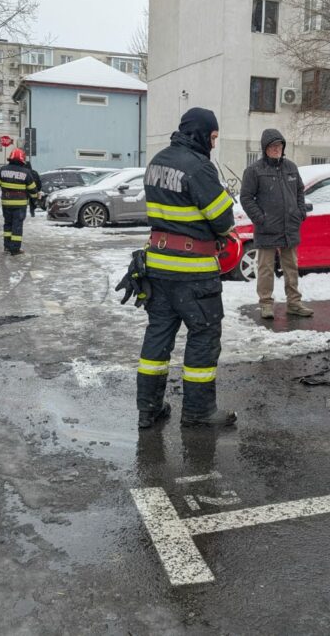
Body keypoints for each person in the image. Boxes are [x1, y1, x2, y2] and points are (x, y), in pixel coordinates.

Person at [133, 107, 238, 429]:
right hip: (193, 274)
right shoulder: (199, 168)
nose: (214, 144)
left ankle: (148, 410)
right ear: (201, 133)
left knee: (158, 338)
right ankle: (198, 412)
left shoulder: (156, 163)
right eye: (213, 137)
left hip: (158, 268)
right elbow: (223, 220)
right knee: (203, 337)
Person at [240, 129, 314, 320]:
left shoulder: (291, 167)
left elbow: (299, 191)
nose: (276, 149)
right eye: (273, 146)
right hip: (266, 229)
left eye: (279, 146)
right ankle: (266, 304)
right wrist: (260, 218)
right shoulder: (254, 170)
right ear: (265, 148)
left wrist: (300, 212)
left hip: (290, 226)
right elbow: (246, 198)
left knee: (292, 267)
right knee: (265, 268)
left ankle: (294, 303)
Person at [0, 149, 39, 255]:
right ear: (22, 160)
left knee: (8, 225)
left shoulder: (2, 170)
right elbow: (33, 190)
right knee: (17, 226)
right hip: (20, 205)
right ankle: (15, 249)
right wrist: (34, 201)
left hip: (6, 204)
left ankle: (7, 246)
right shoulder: (26, 172)